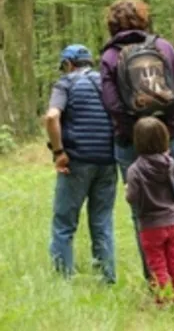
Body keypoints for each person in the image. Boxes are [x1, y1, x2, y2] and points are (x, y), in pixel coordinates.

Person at [100, 0, 174, 292]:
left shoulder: (109, 57)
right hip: (169, 141)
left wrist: (137, 133)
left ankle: (160, 288)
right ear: (143, 20)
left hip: (129, 145)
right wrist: (166, 130)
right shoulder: (164, 48)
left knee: (141, 214)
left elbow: (112, 104)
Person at [45, 45, 117, 284]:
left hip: (76, 161)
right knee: (102, 222)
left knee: (64, 223)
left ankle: (63, 280)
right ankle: (107, 278)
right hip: (107, 162)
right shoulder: (108, 84)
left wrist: (58, 152)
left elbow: (52, 116)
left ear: (68, 64)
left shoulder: (66, 83)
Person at [126, 117, 174, 308]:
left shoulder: (134, 170)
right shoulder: (170, 163)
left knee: (158, 265)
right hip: (173, 220)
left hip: (150, 225)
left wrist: (127, 190)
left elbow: (132, 197)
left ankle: (165, 301)